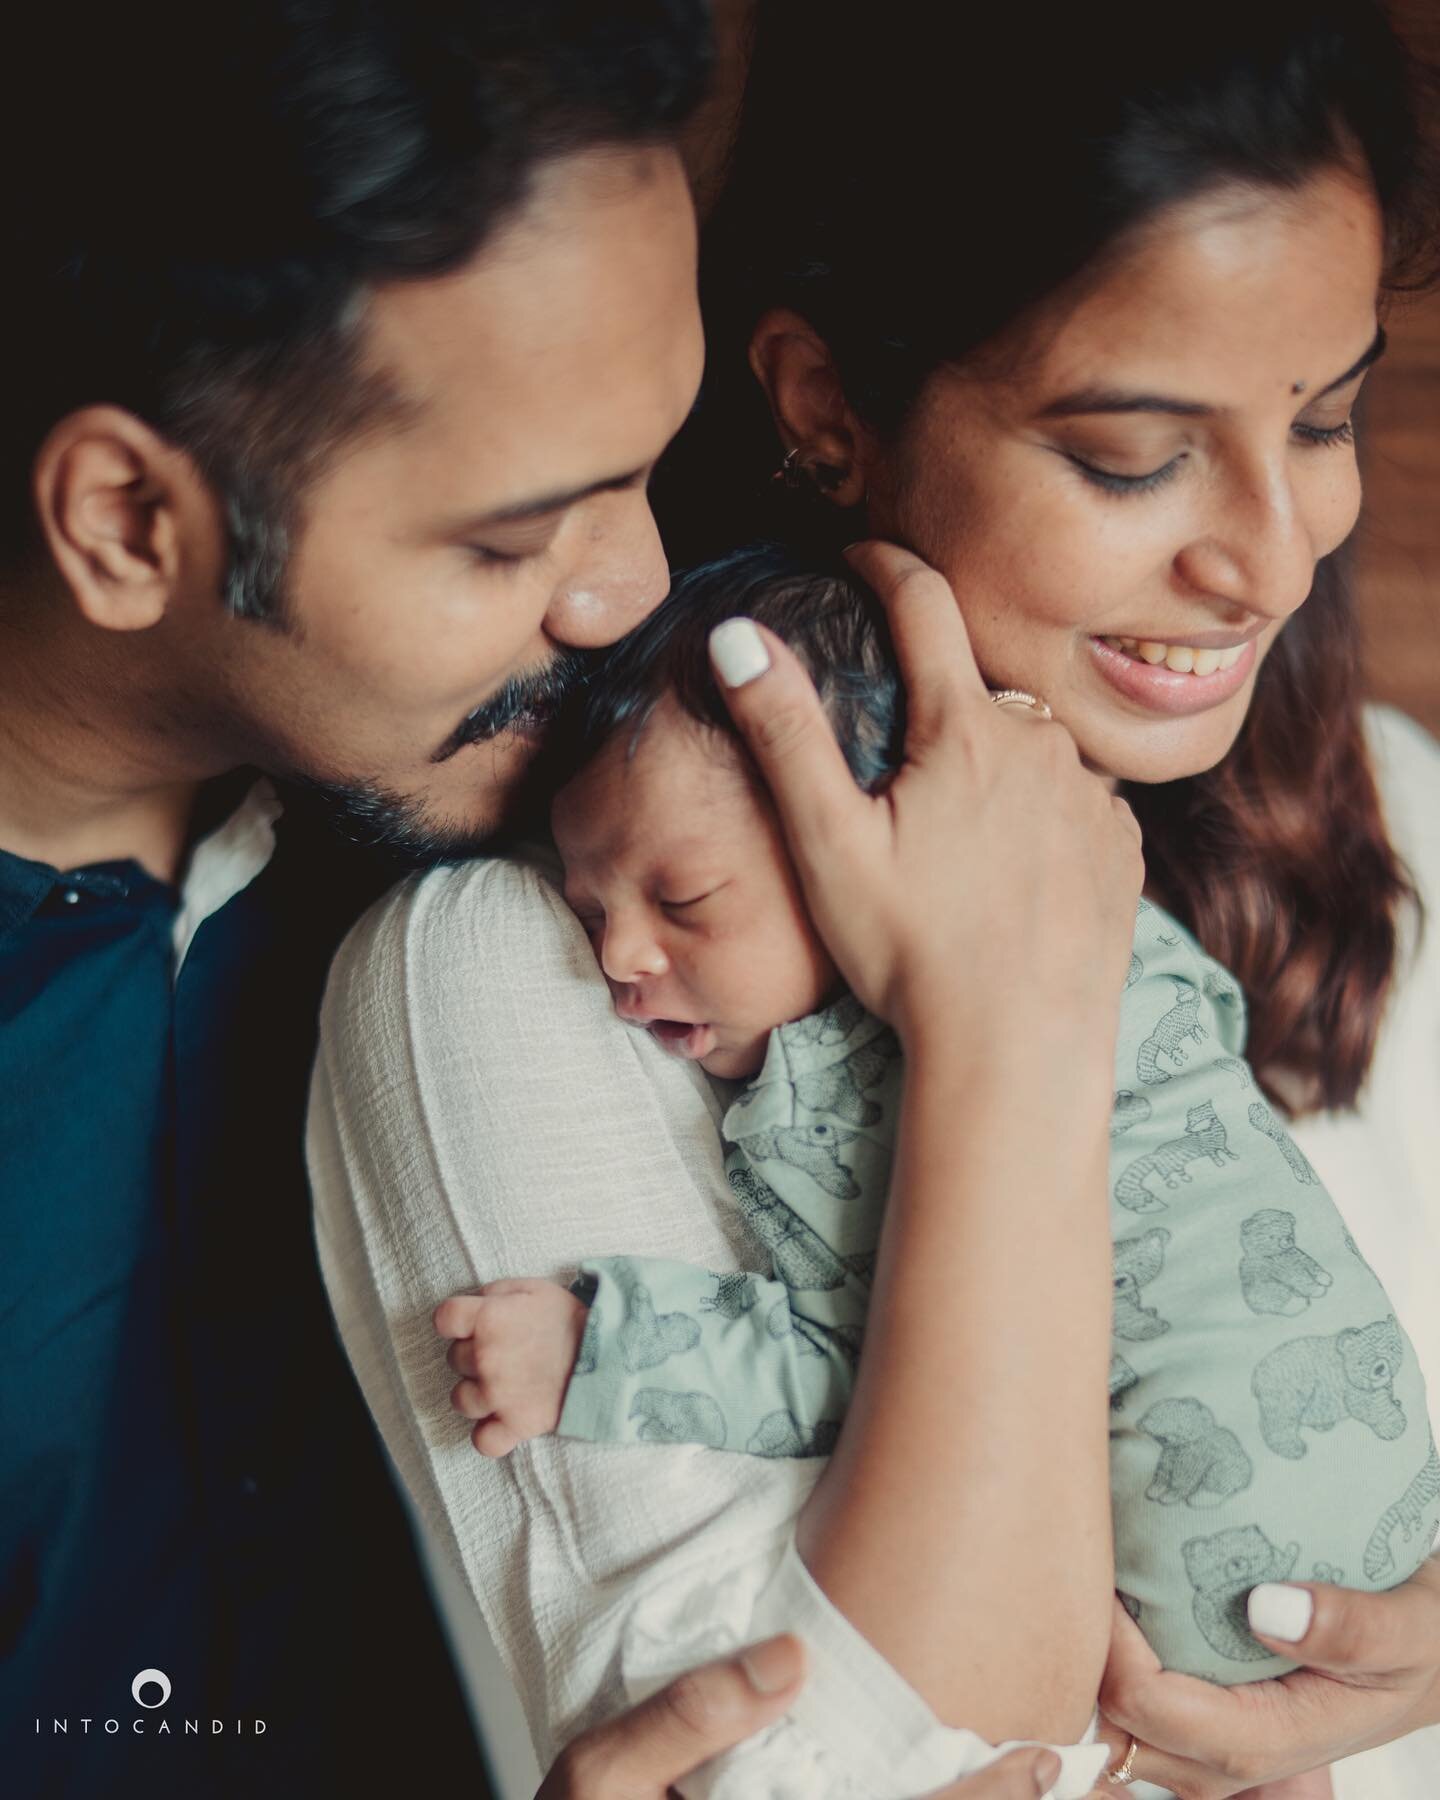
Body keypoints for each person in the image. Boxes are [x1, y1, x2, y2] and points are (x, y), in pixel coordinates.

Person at [308, 2, 1440, 1797]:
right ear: (827, 403)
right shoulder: (540, 975)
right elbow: (840, 1774)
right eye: (1134, 456)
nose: (1269, 559)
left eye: (1320, 418)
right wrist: (1008, 1023)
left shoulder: (1395, 811)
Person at [0, 1, 860, 1793]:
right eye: (510, 539)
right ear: (127, 524)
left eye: (649, 465)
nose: (627, 594)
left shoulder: (592, 786)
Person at [431, 548, 1436, 1715]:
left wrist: (599, 1353)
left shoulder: (828, 1109)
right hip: (1398, 1488)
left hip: (1185, 1590)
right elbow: (1210, 1037)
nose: (617, 960)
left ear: (862, 836)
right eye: (590, 911)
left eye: (686, 902)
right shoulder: (1108, 903)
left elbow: (859, 1370)